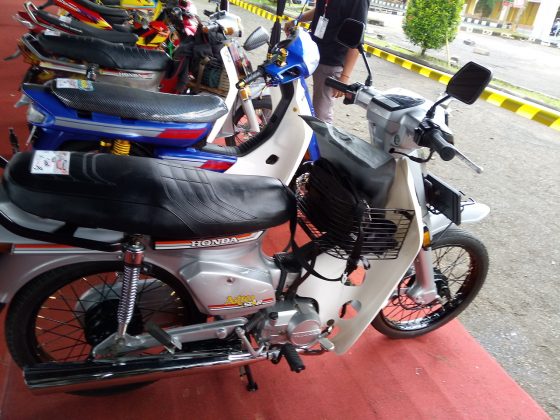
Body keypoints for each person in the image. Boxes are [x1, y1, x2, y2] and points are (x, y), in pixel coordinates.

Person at [284, 0, 370, 123]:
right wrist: (296, 20)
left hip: (331, 60)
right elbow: (322, 8)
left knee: (320, 114)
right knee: (286, 92)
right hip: (310, 51)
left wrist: (344, 77)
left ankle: (320, 135)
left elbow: (357, 40)